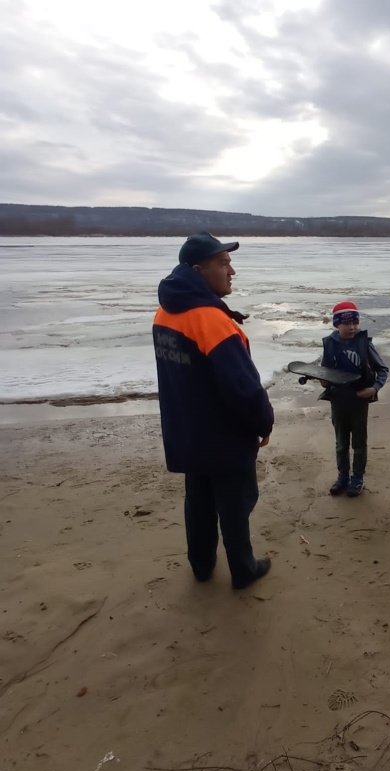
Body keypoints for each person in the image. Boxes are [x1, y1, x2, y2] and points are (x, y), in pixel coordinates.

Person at [152, 231, 274, 590]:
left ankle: (202, 565)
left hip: (186, 431)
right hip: (222, 436)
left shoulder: (166, 311)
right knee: (235, 504)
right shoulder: (210, 320)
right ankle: (243, 570)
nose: (232, 271)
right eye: (223, 263)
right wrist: (264, 422)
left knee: (199, 501)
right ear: (197, 270)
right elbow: (242, 389)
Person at [320, 301, 389, 497]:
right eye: (347, 323)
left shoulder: (364, 343)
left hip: (359, 400)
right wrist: (323, 381)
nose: (352, 327)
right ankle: (343, 476)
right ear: (336, 324)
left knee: (359, 442)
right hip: (338, 401)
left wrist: (374, 388)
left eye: (355, 323)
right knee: (341, 442)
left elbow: (382, 369)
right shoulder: (330, 344)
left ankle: (357, 477)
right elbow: (325, 373)